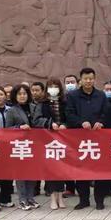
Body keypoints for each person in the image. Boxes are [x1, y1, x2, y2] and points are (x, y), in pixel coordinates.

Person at [66, 67, 108, 210]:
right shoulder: (72, 96)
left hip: (98, 139)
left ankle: (99, 200)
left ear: (94, 79)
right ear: (81, 80)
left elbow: (106, 112)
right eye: (86, 78)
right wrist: (80, 122)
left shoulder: (101, 95)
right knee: (81, 170)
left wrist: (101, 122)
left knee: (99, 170)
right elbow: (69, 114)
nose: (88, 81)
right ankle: (84, 200)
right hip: (79, 139)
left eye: (91, 78)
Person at [33, 78, 68, 209]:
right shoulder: (42, 104)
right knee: (51, 169)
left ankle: (60, 196)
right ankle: (53, 197)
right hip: (47, 140)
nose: (53, 88)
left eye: (56, 86)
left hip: (63, 139)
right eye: (51, 86)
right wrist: (49, 124)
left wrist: (65, 125)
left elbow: (69, 116)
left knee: (61, 169)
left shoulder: (65, 102)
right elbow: (36, 120)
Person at [5, 84, 40, 210]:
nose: (22, 96)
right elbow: (7, 129)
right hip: (19, 146)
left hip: (35, 145)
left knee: (33, 172)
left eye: (24, 93)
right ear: (15, 96)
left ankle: (30, 198)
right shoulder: (11, 110)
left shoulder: (34, 107)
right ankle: (22, 199)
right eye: (19, 94)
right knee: (21, 173)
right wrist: (19, 128)